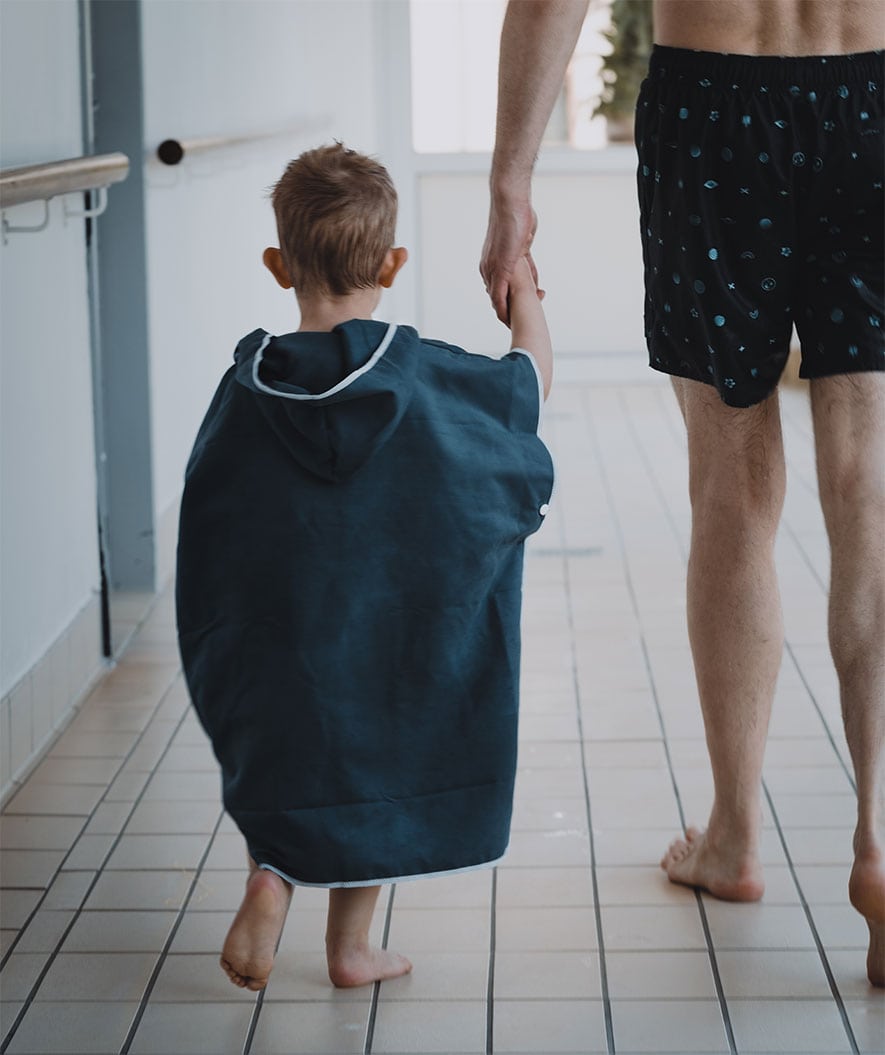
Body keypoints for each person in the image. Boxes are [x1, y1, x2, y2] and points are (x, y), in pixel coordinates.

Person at [480, 0, 884, 987]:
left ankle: (735, 837)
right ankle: (881, 832)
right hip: (873, 92)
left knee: (733, 486)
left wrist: (511, 180)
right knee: (867, 480)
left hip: (716, 105)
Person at [176, 143, 554, 991]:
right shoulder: (422, 378)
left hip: (285, 636)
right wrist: (522, 296)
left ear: (278, 266)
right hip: (390, 634)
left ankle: (273, 870)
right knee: (383, 745)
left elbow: (213, 517)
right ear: (392, 263)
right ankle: (351, 949)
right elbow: (523, 390)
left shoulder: (247, 386)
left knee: (293, 745)